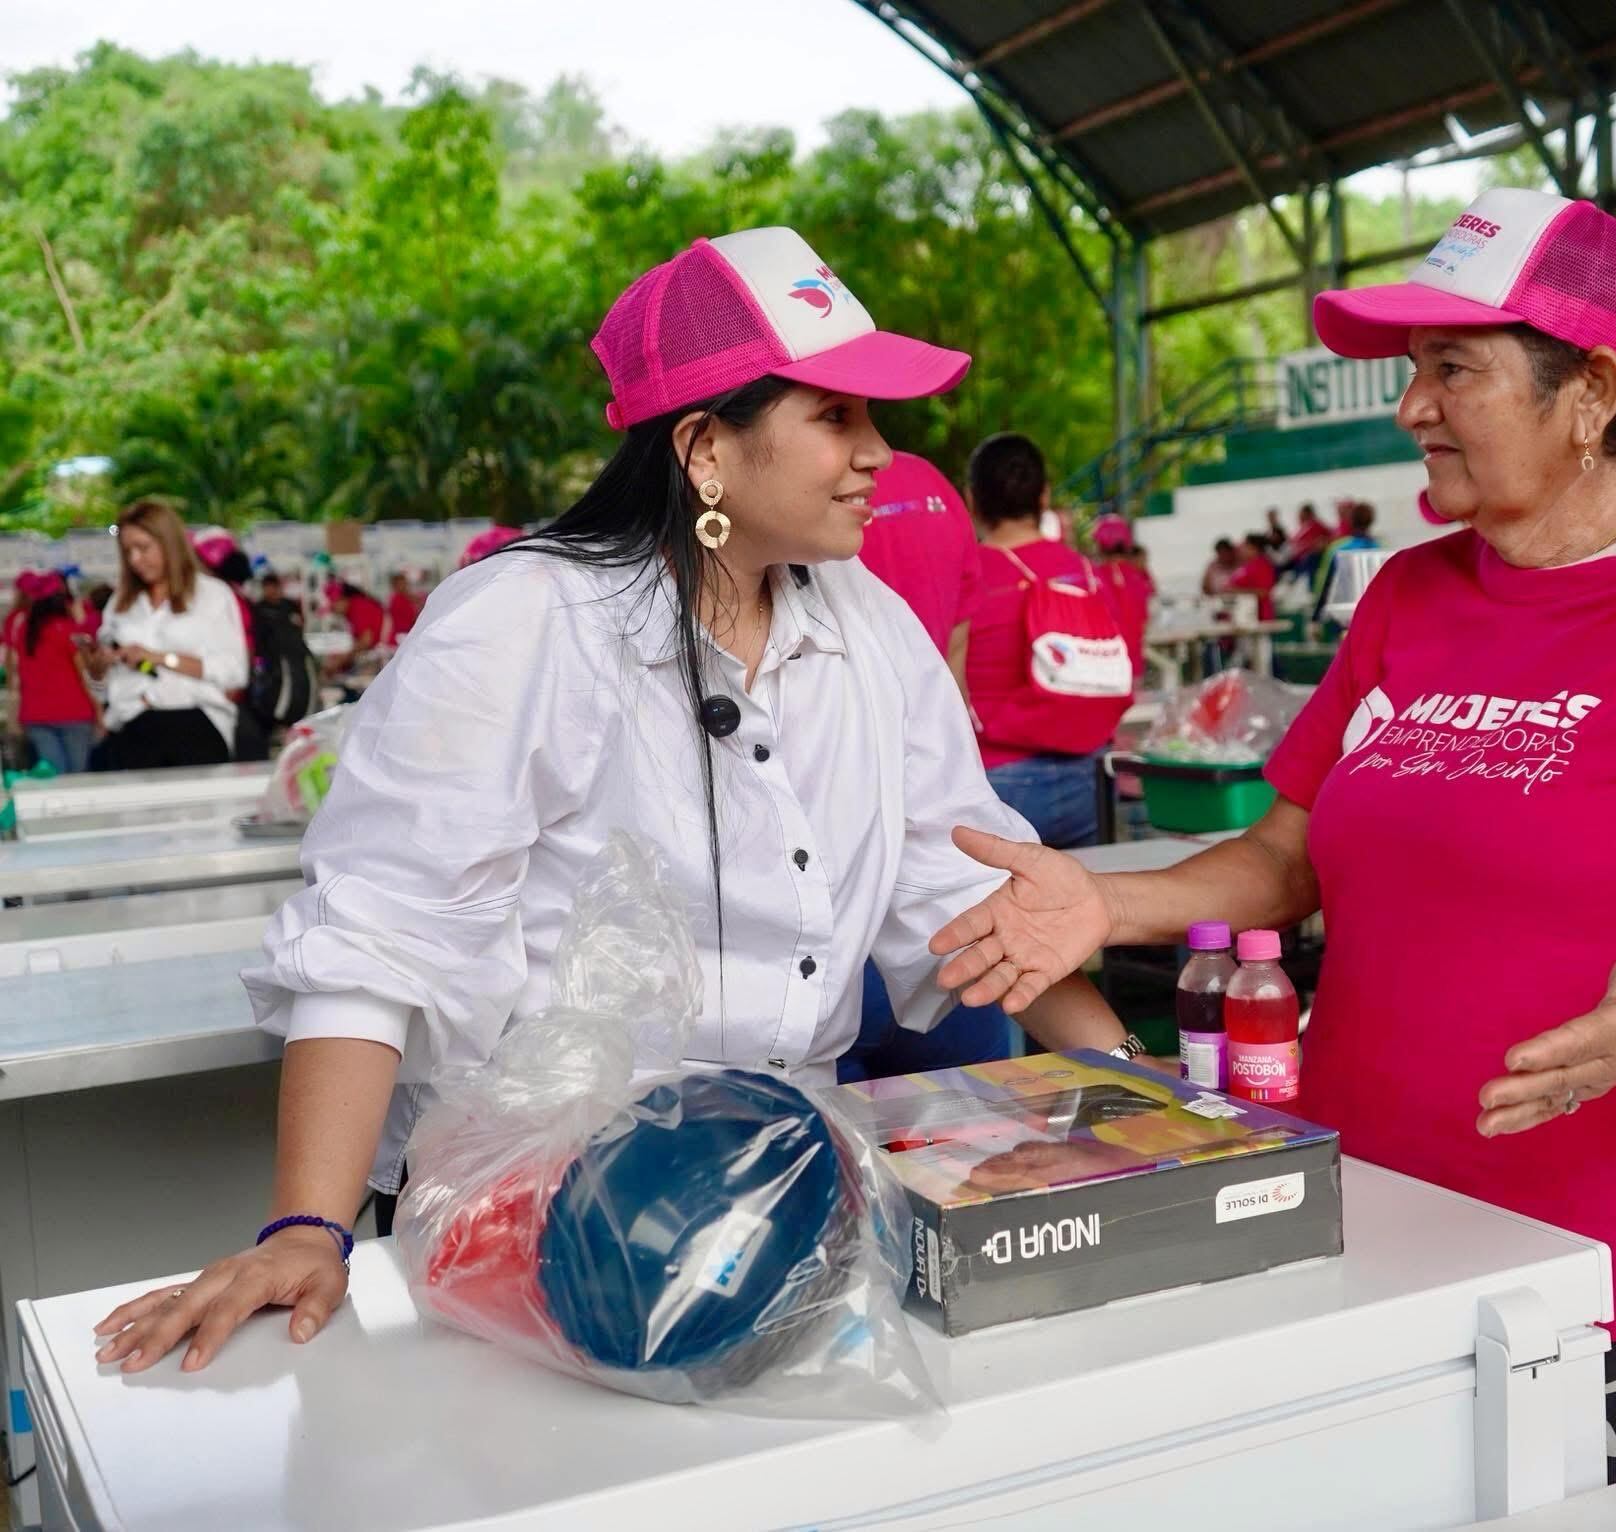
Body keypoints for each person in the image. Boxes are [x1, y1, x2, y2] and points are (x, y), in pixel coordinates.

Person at [924, 189, 1616, 1484]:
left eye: (1452, 368)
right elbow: (1290, 858)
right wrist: (1105, 905)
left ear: (1592, 390)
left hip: (1611, 1281)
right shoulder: (1410, 592)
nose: (1411, 408)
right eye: (1412, 370)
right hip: (1371, 1236)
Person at [92, 226, 1141, 1376]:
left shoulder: (869, 631)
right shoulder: (524, 622)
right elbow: (378, 937)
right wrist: (305, 1227)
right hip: (543, 1215)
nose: (879, 454)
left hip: (799, 1193)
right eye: (834, 416)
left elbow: (973, 900)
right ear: (704, 449)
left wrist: (1142, 1094)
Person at [842, 447, 1010, 1082]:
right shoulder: (932, 487)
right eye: (835, 416)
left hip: (919, 900)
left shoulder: (859, 601)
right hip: (940, 883)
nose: (872, 454)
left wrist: (1129, 1057)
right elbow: (955, 666)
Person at [965, 431, 1131, 851]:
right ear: (1043, 497)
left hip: (998, 783)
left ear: (972, 499)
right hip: (1091, 778)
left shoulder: (963, 574)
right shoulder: (1084, 571)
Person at [86, 499, 250, 770]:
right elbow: (105, 689)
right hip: (130, 722)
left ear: (169, 543)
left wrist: (159, 658)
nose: (135, 560)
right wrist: (98, 670)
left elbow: (233, 671)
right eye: (128, 551)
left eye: (143, 548)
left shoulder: (212, 595)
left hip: (195, 722)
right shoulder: (120, 603)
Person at [855, 450, 980, 698]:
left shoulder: (809, 490)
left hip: (845, 716)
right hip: (932, 714)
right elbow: (956, 650)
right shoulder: (929, 478)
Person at [12, 570, 100, 773]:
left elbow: (17, 674)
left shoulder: (23, 632)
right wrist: (99, 711)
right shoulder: (68, 631)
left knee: (54, 776)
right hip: (74, 712)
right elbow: (85, 675)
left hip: (35, 714)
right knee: (77, 778)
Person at [1090, 512, 1155, 655]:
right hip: (1133, 657)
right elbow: (1145, 619)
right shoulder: (1137, 576)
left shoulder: (1093, 576)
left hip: (1105, 658)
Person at [1227, 532, 1277, 619]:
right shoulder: (1246, 565)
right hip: (1241, 614)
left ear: (1253, 548)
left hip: (1258, 615)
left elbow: (1264, 592)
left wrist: (1235, 591)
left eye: (1244, 545)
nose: (1241, 548)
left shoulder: (1262, 565)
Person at [386, 570, 424, 642]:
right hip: (400, 634)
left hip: (406, 632)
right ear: (394, 585)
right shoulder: (396, 599)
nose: (403, 586)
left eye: (404, 583)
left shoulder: (405, 597)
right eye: (400, 584)